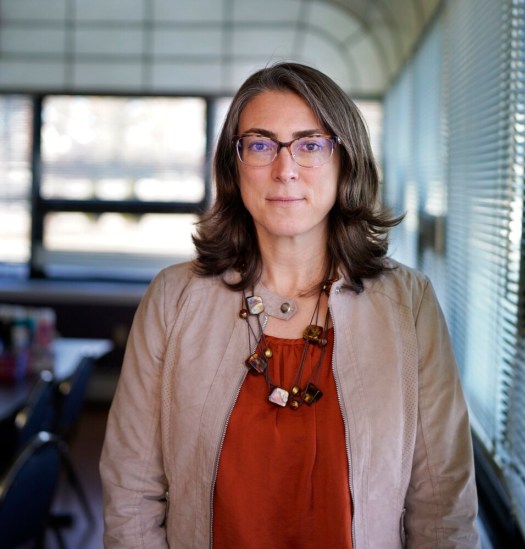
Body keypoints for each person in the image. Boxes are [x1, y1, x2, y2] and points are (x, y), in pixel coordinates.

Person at [99, 61, 479, 548]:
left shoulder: (410, 306)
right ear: (234, 168)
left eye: (310, 144)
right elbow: (131, 493)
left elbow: (443, 510)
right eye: (260, 144)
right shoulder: (173, 300)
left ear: (346, 161)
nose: (285, 168)